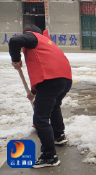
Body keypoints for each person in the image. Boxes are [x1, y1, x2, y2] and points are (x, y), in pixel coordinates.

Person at [8, 25, 72, 168]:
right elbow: (45, 67)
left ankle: (49, 156)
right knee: (54, 107)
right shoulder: (47, 43)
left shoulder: (32, 37)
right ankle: (58, 136)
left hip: (52, 80)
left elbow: (14, 41)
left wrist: (16, 59)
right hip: (64, 80)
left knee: (40, 119)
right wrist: (34, 92)